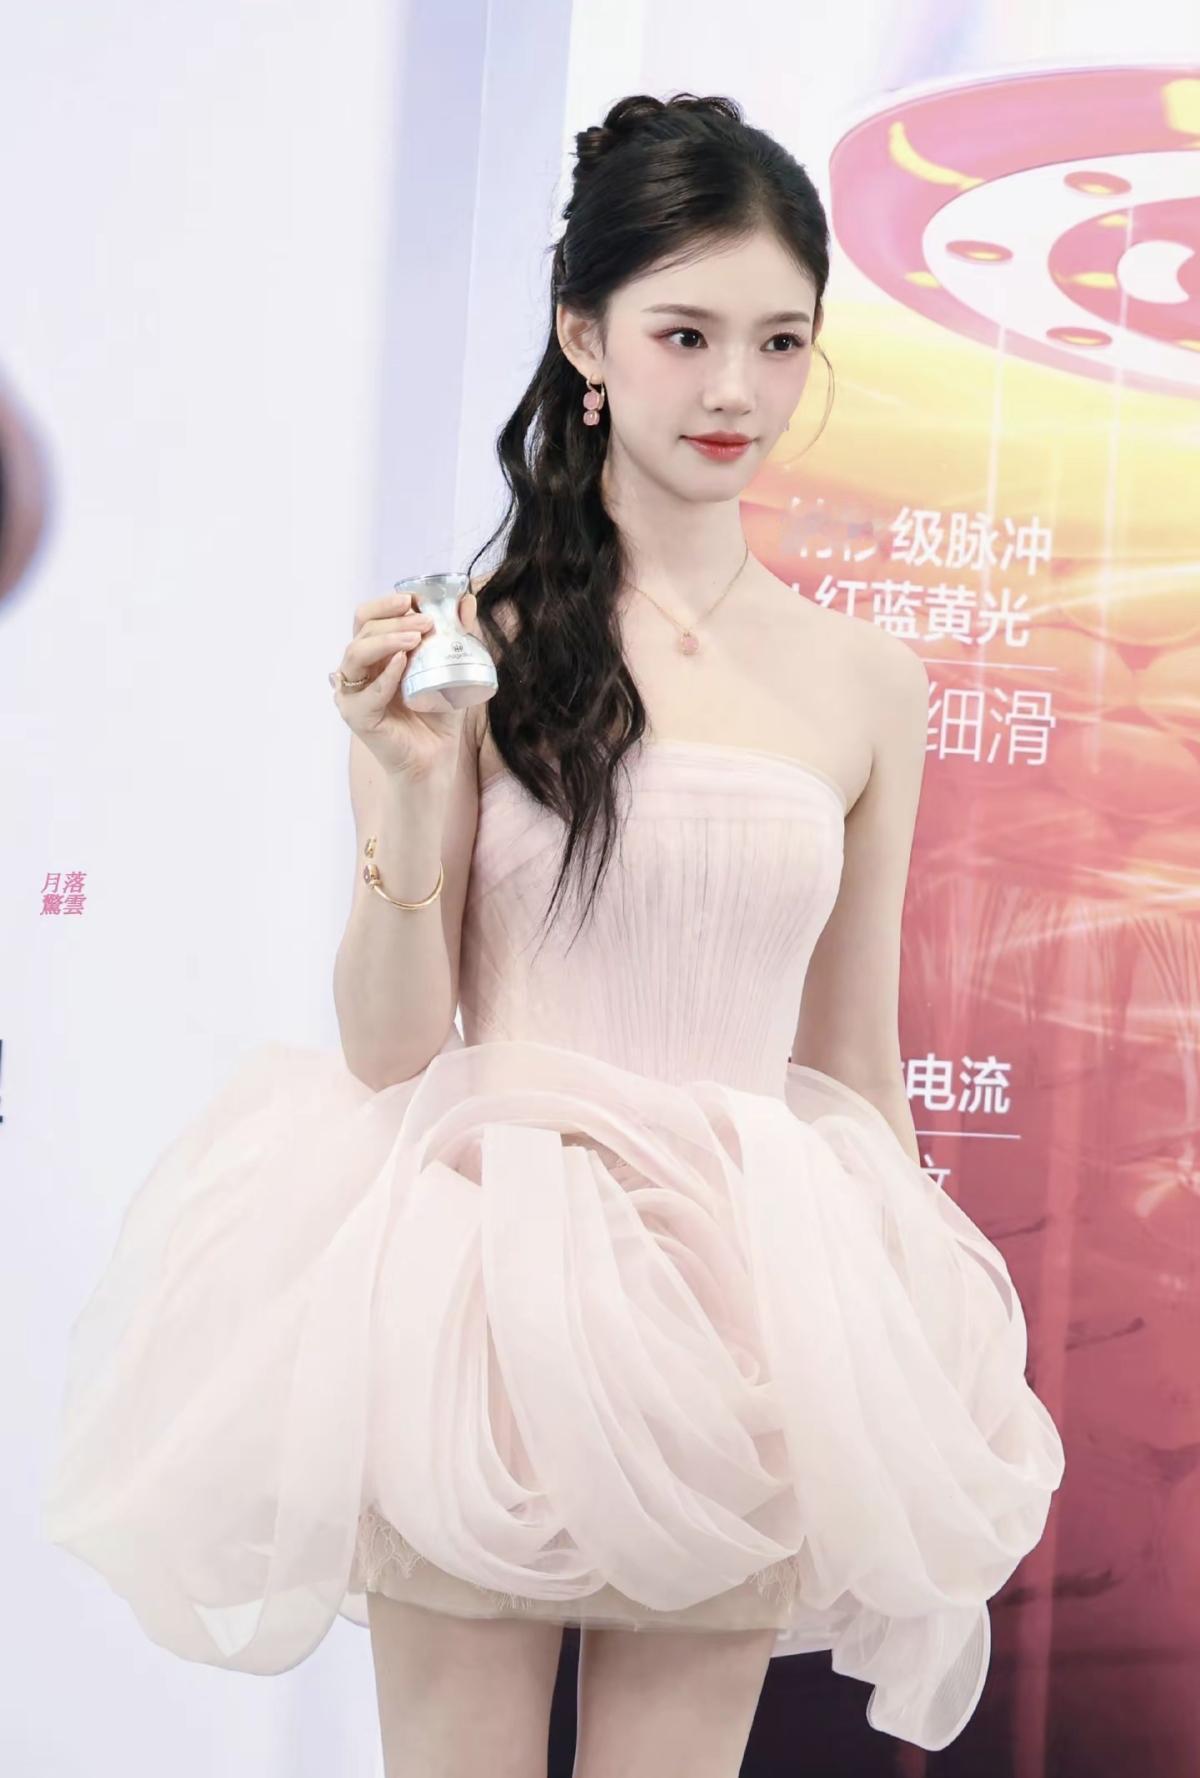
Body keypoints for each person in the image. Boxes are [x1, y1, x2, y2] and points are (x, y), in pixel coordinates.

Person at [43, 92, 1065, 1775]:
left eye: (779, 342)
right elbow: (391, 1043)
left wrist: (899, 1333)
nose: (734, 391)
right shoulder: (464, 648)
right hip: (484, 1293)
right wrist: (403, 785)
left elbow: (852, 1059)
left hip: (739, 1307)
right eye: (685, 334)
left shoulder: (870, 683)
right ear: (585, 336)